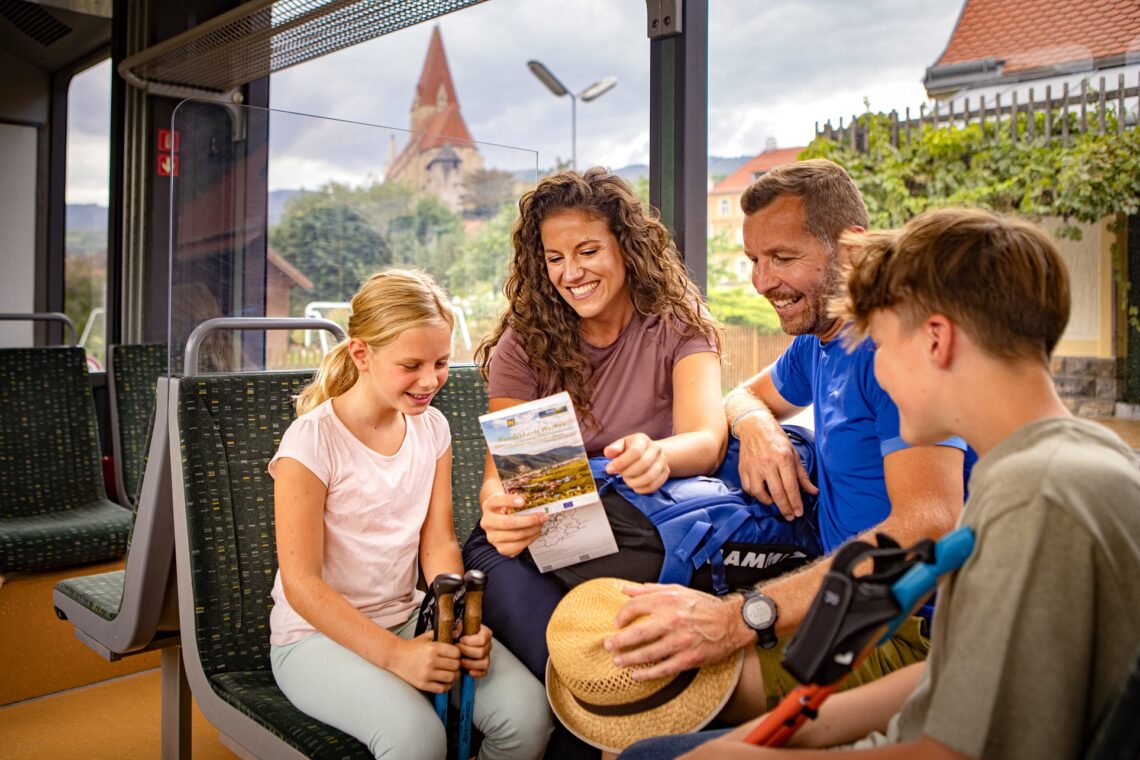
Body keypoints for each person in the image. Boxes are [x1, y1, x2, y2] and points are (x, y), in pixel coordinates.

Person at [624, 207, 1140, 759]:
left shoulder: (1035, 499)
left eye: (884, 345)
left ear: (936, 341)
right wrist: (795, 729)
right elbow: (950, 673)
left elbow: (960, 750)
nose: (880, 370)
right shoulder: (1062, 462)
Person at [604, 159, 971, 708]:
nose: (761, 282)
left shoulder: (895, 351)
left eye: (782, 258)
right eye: (754, 259)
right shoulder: (818, 340)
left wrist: (737, 618)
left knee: (640, 690)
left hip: (904, 627)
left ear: (852, 248)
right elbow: (743, 393)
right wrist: (757, 427)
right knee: (623, 660)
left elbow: (932, 521)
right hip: (837, 598)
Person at [267, 269, 552, 760]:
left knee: (529, 717)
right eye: (411, 365)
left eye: (441, 363)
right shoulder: (310, 443)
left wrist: (460, 619)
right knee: (418, 740)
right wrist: (396, 656)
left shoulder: (432, 428)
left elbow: (437, 543)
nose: (430, 381)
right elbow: (302, 585)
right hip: (314, 639)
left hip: (408, 616)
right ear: (362, 354)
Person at [462, 167, 728, 683]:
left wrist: (660, 455)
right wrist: (496, 509)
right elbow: (503, 475)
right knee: (580, 673)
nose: (571, 273)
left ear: (626, 248)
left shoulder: (678, 322)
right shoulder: (525, 341)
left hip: (635, 537)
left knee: (616, 672)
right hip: (530, 547)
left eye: (587, 252)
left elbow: (707, 439)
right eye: (555, 258)